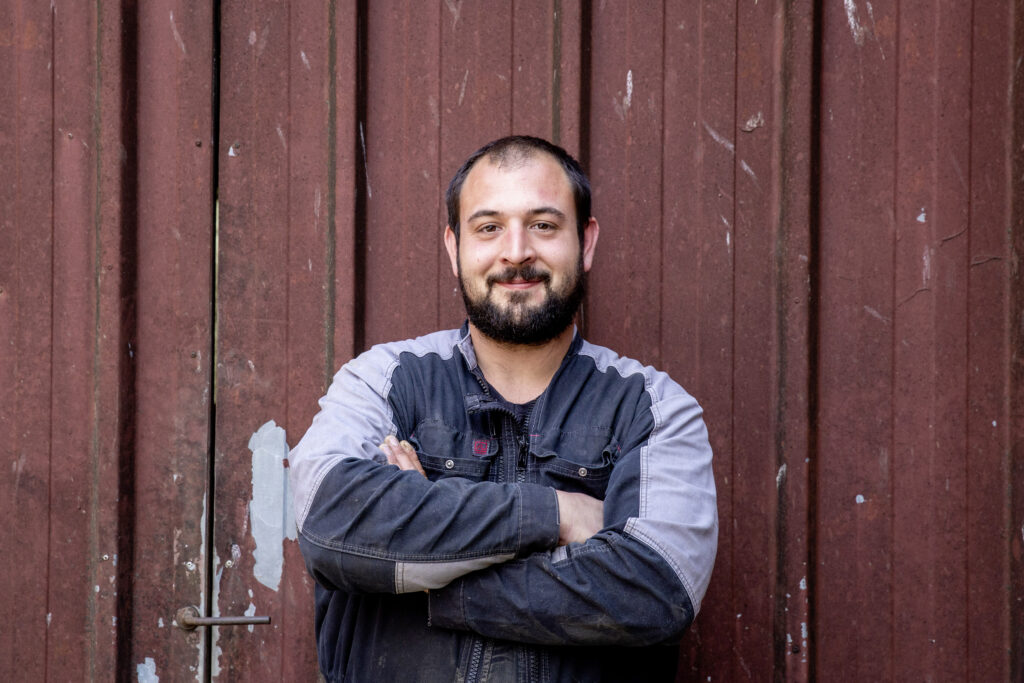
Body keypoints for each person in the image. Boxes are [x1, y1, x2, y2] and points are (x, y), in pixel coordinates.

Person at [289, 135, 718, 682]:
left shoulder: (653, 407)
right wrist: (557, 515)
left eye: (543, 225)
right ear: (455, 247)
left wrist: (421, 571)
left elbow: (655, 588)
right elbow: (329, 522)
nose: (516, 252)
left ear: (585, 243)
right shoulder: (384, 380)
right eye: (488, 228)